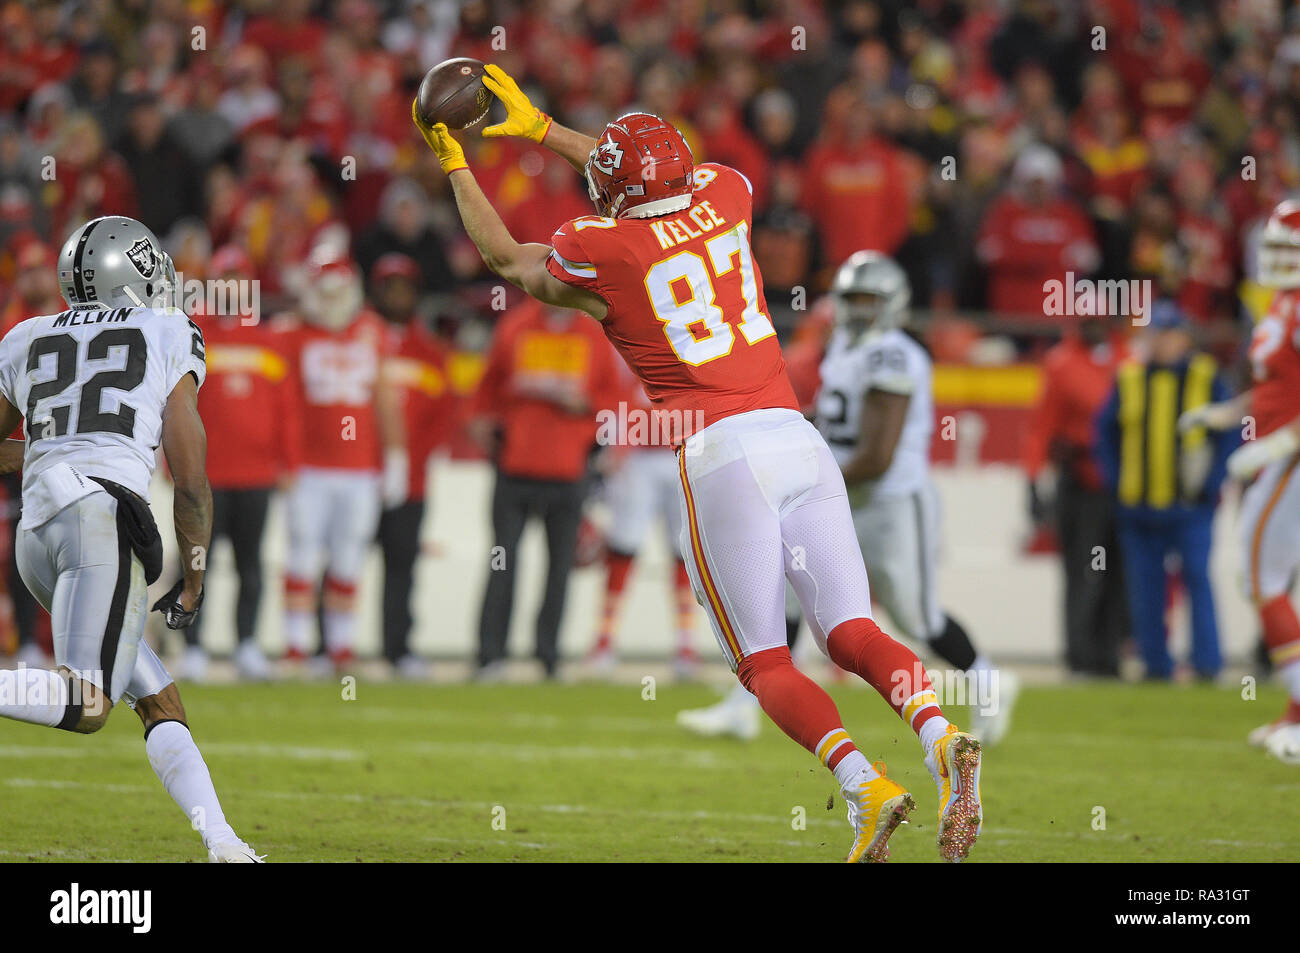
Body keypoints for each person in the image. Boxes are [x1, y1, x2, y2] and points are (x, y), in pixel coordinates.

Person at [413, 64, 984, 863]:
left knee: (763, 661)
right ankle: (939, 730)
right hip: (798, 436)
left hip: (724, 453)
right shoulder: (728, 192)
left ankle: (867, 785)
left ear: (612, 192)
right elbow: (655, 183)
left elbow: (510, 260)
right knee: (852, 628)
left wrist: (456, 161)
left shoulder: (598, 248)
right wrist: (545, 130)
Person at [679, 253, 1020, 745]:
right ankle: (744, 706)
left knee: (914, 616)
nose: (859, 311)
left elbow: (878, 455)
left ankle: (988, 679)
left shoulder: (894, 354)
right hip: (842, 494)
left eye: (869, 301)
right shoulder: (841, 346)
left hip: (891, 501)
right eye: (851, 300)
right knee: (793, 595)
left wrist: (808, 474)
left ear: (893, 304)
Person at [0, 215, 260, 861]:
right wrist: (196, 574)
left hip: (37, 536)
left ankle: (223, 842)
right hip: (96, 521)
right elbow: (192, 476)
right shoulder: (168, 327)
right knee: (88, 702)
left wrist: (46, 460)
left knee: (157, 696)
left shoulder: (25, 334)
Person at [1180, 199, 1300, 759]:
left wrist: (1280, 443)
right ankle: (1293, 715)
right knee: (1268, 579)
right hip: (1280, 450)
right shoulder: (1281, 301)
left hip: (1292, 454)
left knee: (1261, 578)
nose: (1277, 258)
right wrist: (1223, 416)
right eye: (1272, 247)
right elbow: (1275, 388)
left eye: (1287, 247)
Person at [468, 298, 619, 680]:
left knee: (558, 569)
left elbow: (611, 399)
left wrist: (584, 404)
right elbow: (488, 387)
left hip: (568, 468)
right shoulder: (516, 326)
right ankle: (490, 654)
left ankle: (547, 656)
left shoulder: (591, 335)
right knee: (503, 561)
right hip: (516, 463)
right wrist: (482, 424)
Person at [1095, 299, 1238, 680]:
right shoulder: (1128, 377)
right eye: (1155, 334)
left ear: (1184, 338)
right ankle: (1156, 663)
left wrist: (1213, 481)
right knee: (1145, 587)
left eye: (1169, 334)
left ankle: (1207, 663)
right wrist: (1115, 481)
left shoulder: (1207, 377)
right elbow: (1105, 433)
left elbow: (1229, 432)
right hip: (1139, 504)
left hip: (1192, 505)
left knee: (1197, 576)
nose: (1161, 343)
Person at [280, 245, 406, 673]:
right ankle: (297, 647)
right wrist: (288, 459)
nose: (333, 303)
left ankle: (340, 648)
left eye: (339, 293)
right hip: (311, 468)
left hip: (359, 468)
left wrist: (396, 456)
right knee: (301, 554)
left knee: (349, 557)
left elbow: (385, 400)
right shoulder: (294, 334)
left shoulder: (371, 330)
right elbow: (286, 404)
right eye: (325, 293)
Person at [183, 244, 295, 682]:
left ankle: (246, 643)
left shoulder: (269, 340)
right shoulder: (193, 335)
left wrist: (288, 462)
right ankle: (193, 646)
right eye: (223, 278)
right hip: (206, 475)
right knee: (197, 561)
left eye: (237, 278)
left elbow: (286, 409)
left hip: (256, 474)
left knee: (250, 562)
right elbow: (175, 406)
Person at [1023, 314, 1131, 676]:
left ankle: (1109, 656)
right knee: (1084, 573)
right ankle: (1081, 655)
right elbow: (1043, 426)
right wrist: (1034, 480)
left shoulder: (1125, 359)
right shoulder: (1063, 364)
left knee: (1116, 574)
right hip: (1081, 484)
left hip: (1121, 484)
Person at [370, 253, 453, 678]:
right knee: (339, 559)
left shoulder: (431, 352)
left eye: (404, 287)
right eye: (390, 287)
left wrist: (411, 462)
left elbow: (442, 418)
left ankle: (398, 647)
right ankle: (326, 646)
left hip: (412, 480)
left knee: (402, 564)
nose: (398, 295)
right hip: (360, 473)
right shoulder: (362, 339)